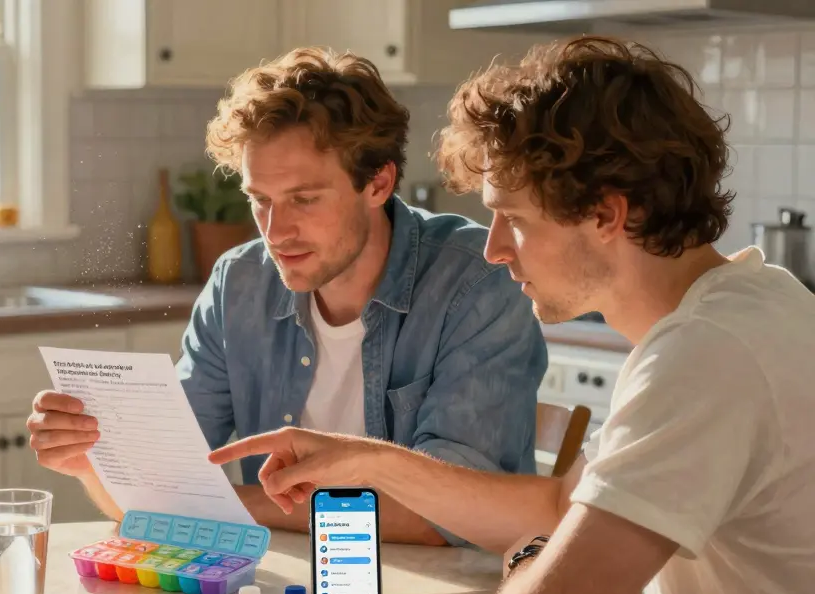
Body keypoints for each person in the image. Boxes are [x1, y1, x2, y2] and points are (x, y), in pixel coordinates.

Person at [208, 36, 815, 594]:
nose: (494, 249)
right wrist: (367, 462)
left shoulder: (704, 356)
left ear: (606, 214)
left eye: (514, 218)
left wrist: (531, 560)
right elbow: (559, 507)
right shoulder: (744, 307)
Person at [27, 47, 547, 547]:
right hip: (284, 593)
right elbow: (159, 491)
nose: (276, 231)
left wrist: (228, 505)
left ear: (379, 183)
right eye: (261, 201)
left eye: (304, 199)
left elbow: (452, 517)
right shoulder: (240, 283)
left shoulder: (479, 280)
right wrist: (93, 461)